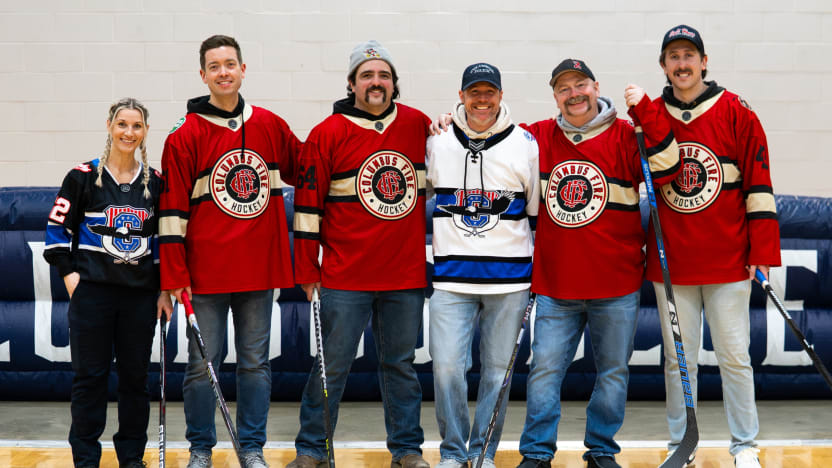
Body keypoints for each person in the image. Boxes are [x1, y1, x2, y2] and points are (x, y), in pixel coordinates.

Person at [159, 34, 302, 468]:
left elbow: (311, 164)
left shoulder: (271, 125)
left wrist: (350, 113)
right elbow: (170, 215)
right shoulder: (183, 137)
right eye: (214, 66)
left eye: (230, 64)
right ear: (203, 75)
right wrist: (173, 276)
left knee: (256, 365)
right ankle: (201, 449)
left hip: (259, 271)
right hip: (204, 275)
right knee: (203, 366)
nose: (223, 72)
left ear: (243, 70)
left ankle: (252, 448)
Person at [289, 40, 431, 468]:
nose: (376, 82)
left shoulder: (419, 125)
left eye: (384, 75)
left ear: (394, 85)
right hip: (343, 274)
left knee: (401, 367)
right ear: (351, 84)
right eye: (367, 75)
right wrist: (305, 268)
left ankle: (406, 450)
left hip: (403, 275)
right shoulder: (326, 133)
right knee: (331, 366)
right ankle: (312, 450)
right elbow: (307, 207)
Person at [651, 25, 781, 468]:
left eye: (689, 55)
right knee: (677, 362)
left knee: (734, 358)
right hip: (673, 266)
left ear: (704, 62)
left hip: (728, 260)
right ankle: (680, 443)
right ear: (664, 66)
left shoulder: (736, 112)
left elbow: (760, 186)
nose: (682, 64)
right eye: (673, 57)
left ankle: (744, 445)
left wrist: (760, 251)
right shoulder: (649, 115)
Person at [44, 97, 173, 468]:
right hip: (93, 295)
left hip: (139, 297)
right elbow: (56, 230)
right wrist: (72, 279)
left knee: (135, 380)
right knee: (90, 380)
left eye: (136, 126)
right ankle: (86, 459)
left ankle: (131, 458)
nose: (128, 132)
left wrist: (164, 287)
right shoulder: (82, 176)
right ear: (109, 126)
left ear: (145, 131)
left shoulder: (156, 183)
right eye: (122, 124)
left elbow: (166, 241)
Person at [426, 62, 539, 468]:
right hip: (451, 281)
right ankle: (454, 453)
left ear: (501, 96)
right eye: (474, 92)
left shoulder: (526, 143)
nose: (482, 99)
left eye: (489, 91)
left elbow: (534, 213)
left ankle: (483, 453)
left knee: (497, 375)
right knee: (447, 370)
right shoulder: (436, 142)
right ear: (461, 96)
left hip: (509, 283)